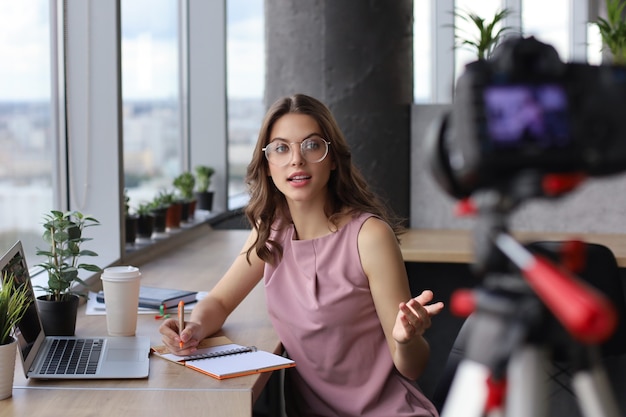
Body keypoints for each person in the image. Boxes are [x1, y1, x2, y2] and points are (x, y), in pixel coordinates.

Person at [159, 93, 444, 416]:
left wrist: (406, 341)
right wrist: (193, 328)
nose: (296, 160)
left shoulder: (370, 236)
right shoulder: (271, 231)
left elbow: (412, 368)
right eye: (281, 148)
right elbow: (221, 302)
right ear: (267, 166)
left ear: (333, 158)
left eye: (311, 145)